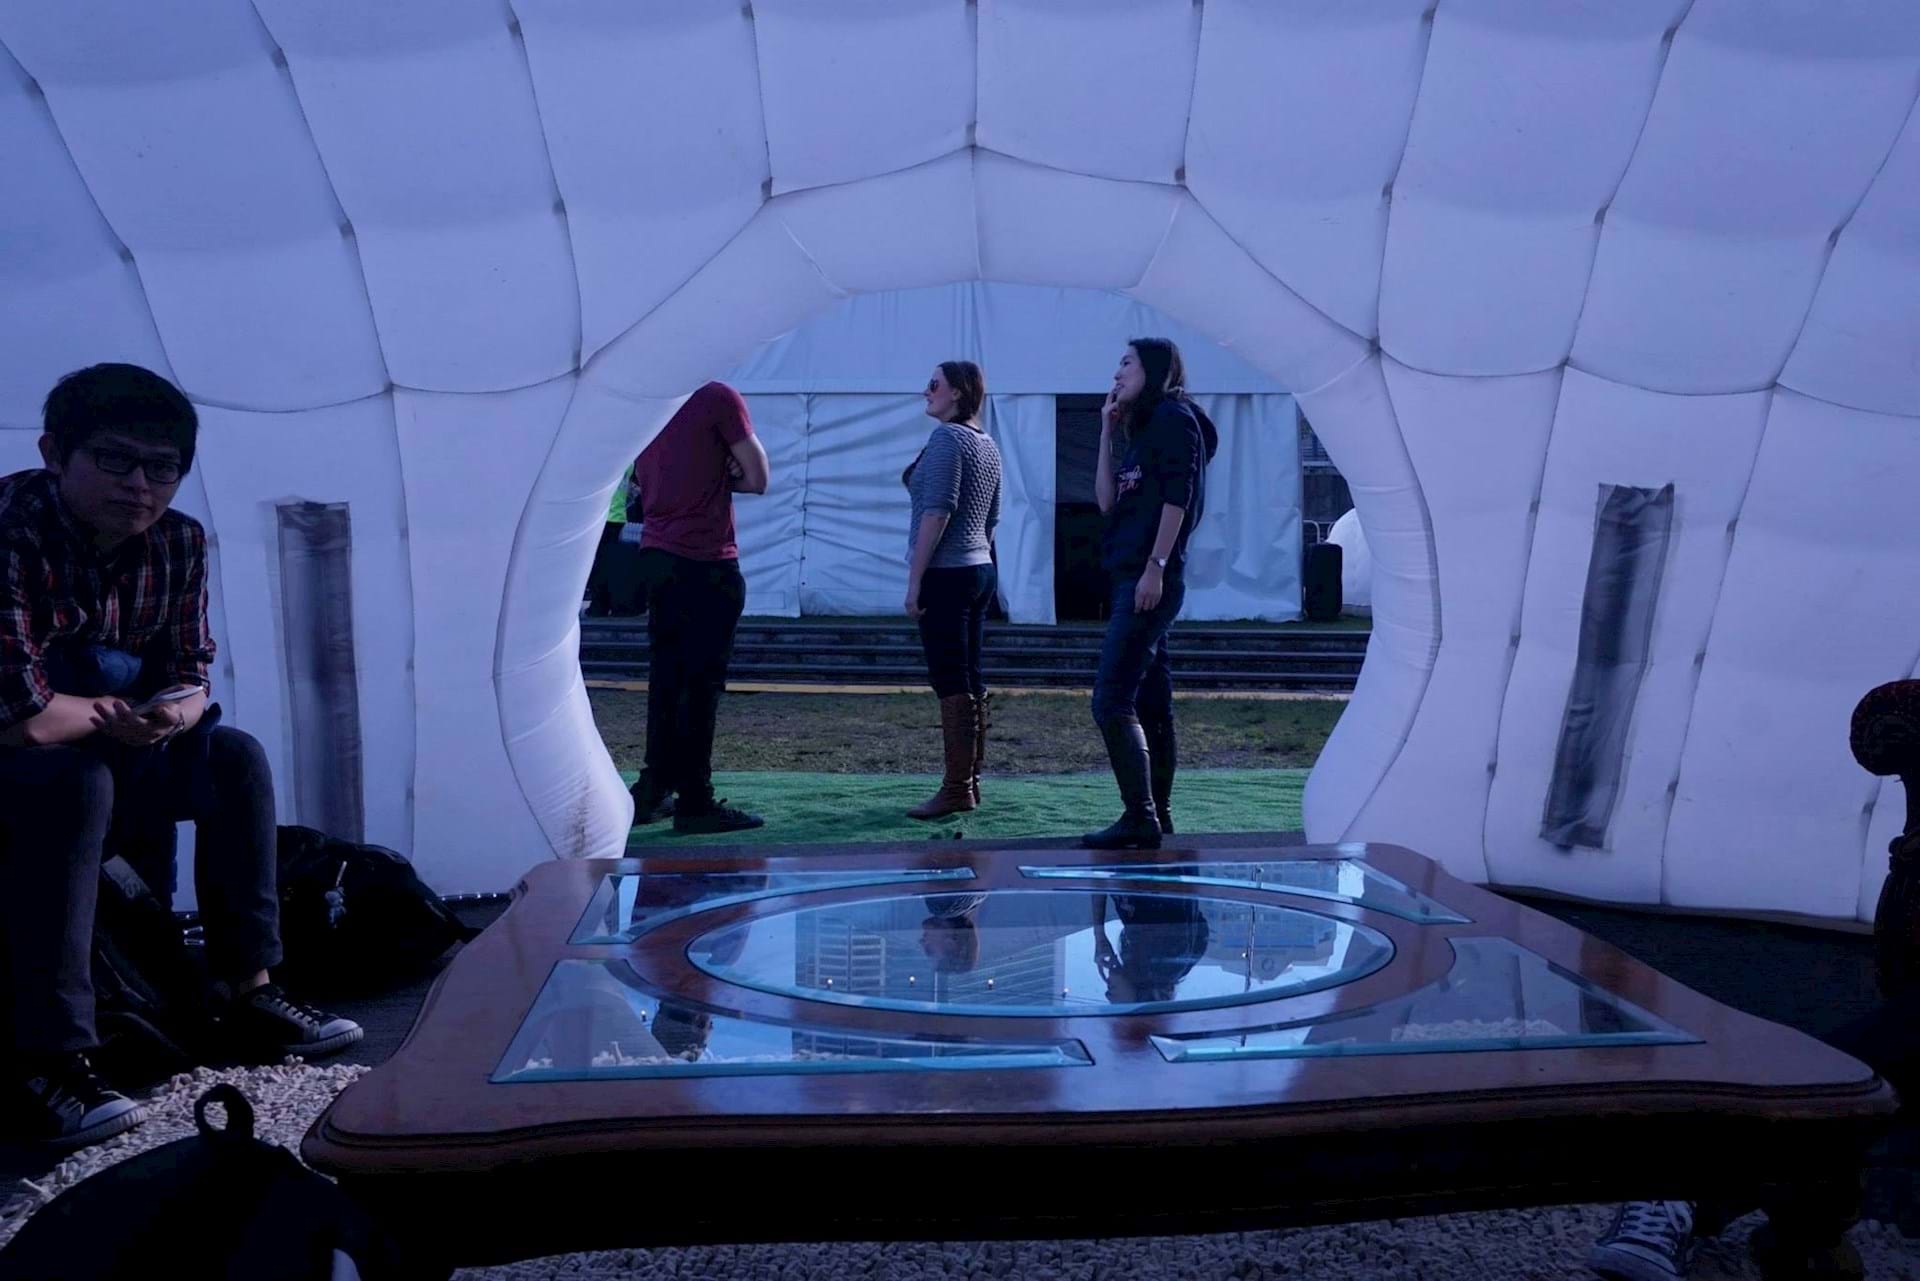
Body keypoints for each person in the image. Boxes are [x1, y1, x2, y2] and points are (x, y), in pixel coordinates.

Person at [1, 363, 362, 1151]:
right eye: (115, 460)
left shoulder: (178, 541)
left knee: (233, 758)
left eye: (161, 468)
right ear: (55, 453)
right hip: (20, 753)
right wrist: (124, 719)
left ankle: (247, 987)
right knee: (75, 780)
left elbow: (192, 673)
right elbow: (19, 712)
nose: (139, 485)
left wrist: (169, 713)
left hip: (104, 735)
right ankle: (48, 1058)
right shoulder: (10, 531)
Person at [1082, 339, 1218, 849]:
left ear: (1154, 370)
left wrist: (1156, 567)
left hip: (1149, 577)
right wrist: (1105, 431)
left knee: (1111, 700)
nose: (1116, 373)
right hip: (1129, 575)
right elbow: (1105, 502)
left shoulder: (1174, 418)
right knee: (1152, 705)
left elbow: (1178, 497)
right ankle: (1158, 814)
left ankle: (1140, 815)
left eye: (1126, 363)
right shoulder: (1142, 428)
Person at [625, 381, 770, 835]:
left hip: (658, 552)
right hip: (706, 557)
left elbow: (639, 478)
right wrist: (720, 472)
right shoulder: (715, 398)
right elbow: (759, 478)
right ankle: (695, 799)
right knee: (701, 685)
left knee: (666, 680)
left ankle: (653, 789)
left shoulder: (644, 398)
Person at [902, 361, 1002, 820]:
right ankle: (969, 782)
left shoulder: (948, 439)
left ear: (958, 392)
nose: (926, 391)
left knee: (950, 678)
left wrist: (916, 579)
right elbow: (992, 518)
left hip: (949, 573)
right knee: (970, 675)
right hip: (980, 568)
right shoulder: (987, 443)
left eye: (934, 384)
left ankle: (958, 787)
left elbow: (938, 511)